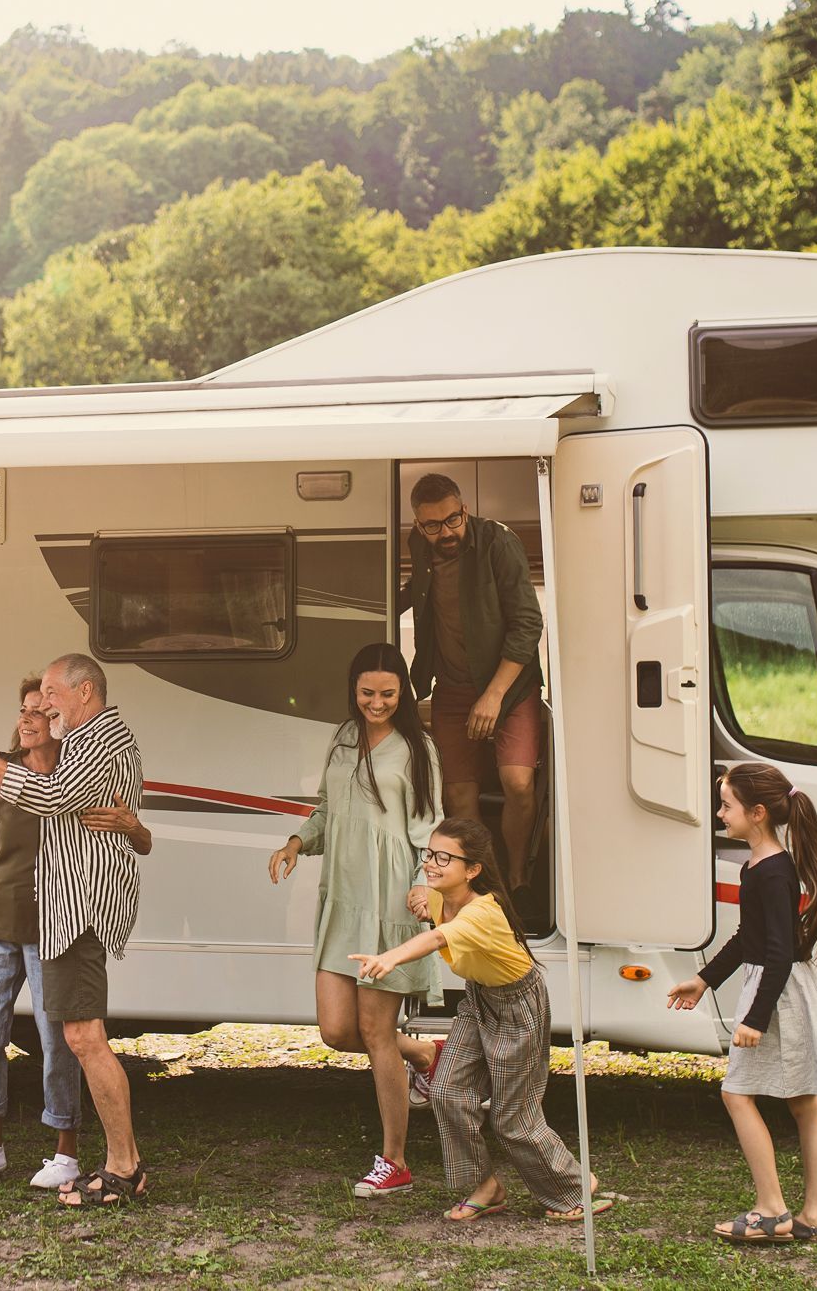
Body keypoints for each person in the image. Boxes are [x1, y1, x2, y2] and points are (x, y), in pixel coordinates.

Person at [0, 653, 151, 1207]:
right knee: (79, 1037)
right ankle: (122, 1165)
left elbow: (49, 797)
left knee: (83, 1040)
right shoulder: (90, 738)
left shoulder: (98, 741)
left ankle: (124, 1168)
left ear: (85, 692)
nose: (44, 704)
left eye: (52, 693)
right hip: (61, 915)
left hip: (75, 914)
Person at [353, 817, 613, 1224]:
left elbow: (437, 939)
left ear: (472, 869)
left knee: (513, 1117)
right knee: (446, 1092)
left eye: (444, 858)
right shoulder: (442, 896)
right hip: (479, 1000)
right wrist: (421, 894)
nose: (432, 864)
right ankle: (486, 1187)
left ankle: (573, 1187)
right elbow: (427, 900)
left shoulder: (482, 912)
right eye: (429, 854)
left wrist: (390, 957)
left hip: (517, 1006)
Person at [267, 642, 443, 1198]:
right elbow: (326, 806)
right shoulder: (343, 738)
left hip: (390, 900)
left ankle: (395, 1161)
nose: (376, 702)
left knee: (373, 1031)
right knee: (336, 1031)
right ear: (354, 690)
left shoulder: (419, 747)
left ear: (403, 694)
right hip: (342, 897)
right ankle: (422, 1052)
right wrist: (297, 841)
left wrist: (424, 883)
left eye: (388, 693)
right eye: (367, 692)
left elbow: (429, 826)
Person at [666, 763, 817, 1246]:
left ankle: (771, 1209)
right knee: (804, 1103)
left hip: (777, 993)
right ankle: (816, 1217)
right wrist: (703, 980)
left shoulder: (771, 871)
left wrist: (755, 1019)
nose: (720, 814)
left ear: (759, 813)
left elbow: (779, 954)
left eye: (727, 805)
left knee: (737, 1094)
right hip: (782, 987)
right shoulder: (762, 865)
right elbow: (751, 937)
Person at [398, 473, 544, 896]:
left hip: (509, 688)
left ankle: (519, 880)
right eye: (432, 525)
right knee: (459, 799)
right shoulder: (418, 543)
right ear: (418, 523)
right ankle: (490, 886)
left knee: (517, 782)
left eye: (452, 520)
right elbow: (423, 590)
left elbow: (528, 623)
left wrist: (494, 696)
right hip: (452, 687)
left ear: (464, 509)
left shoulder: (498, 542)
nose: (444, 532)